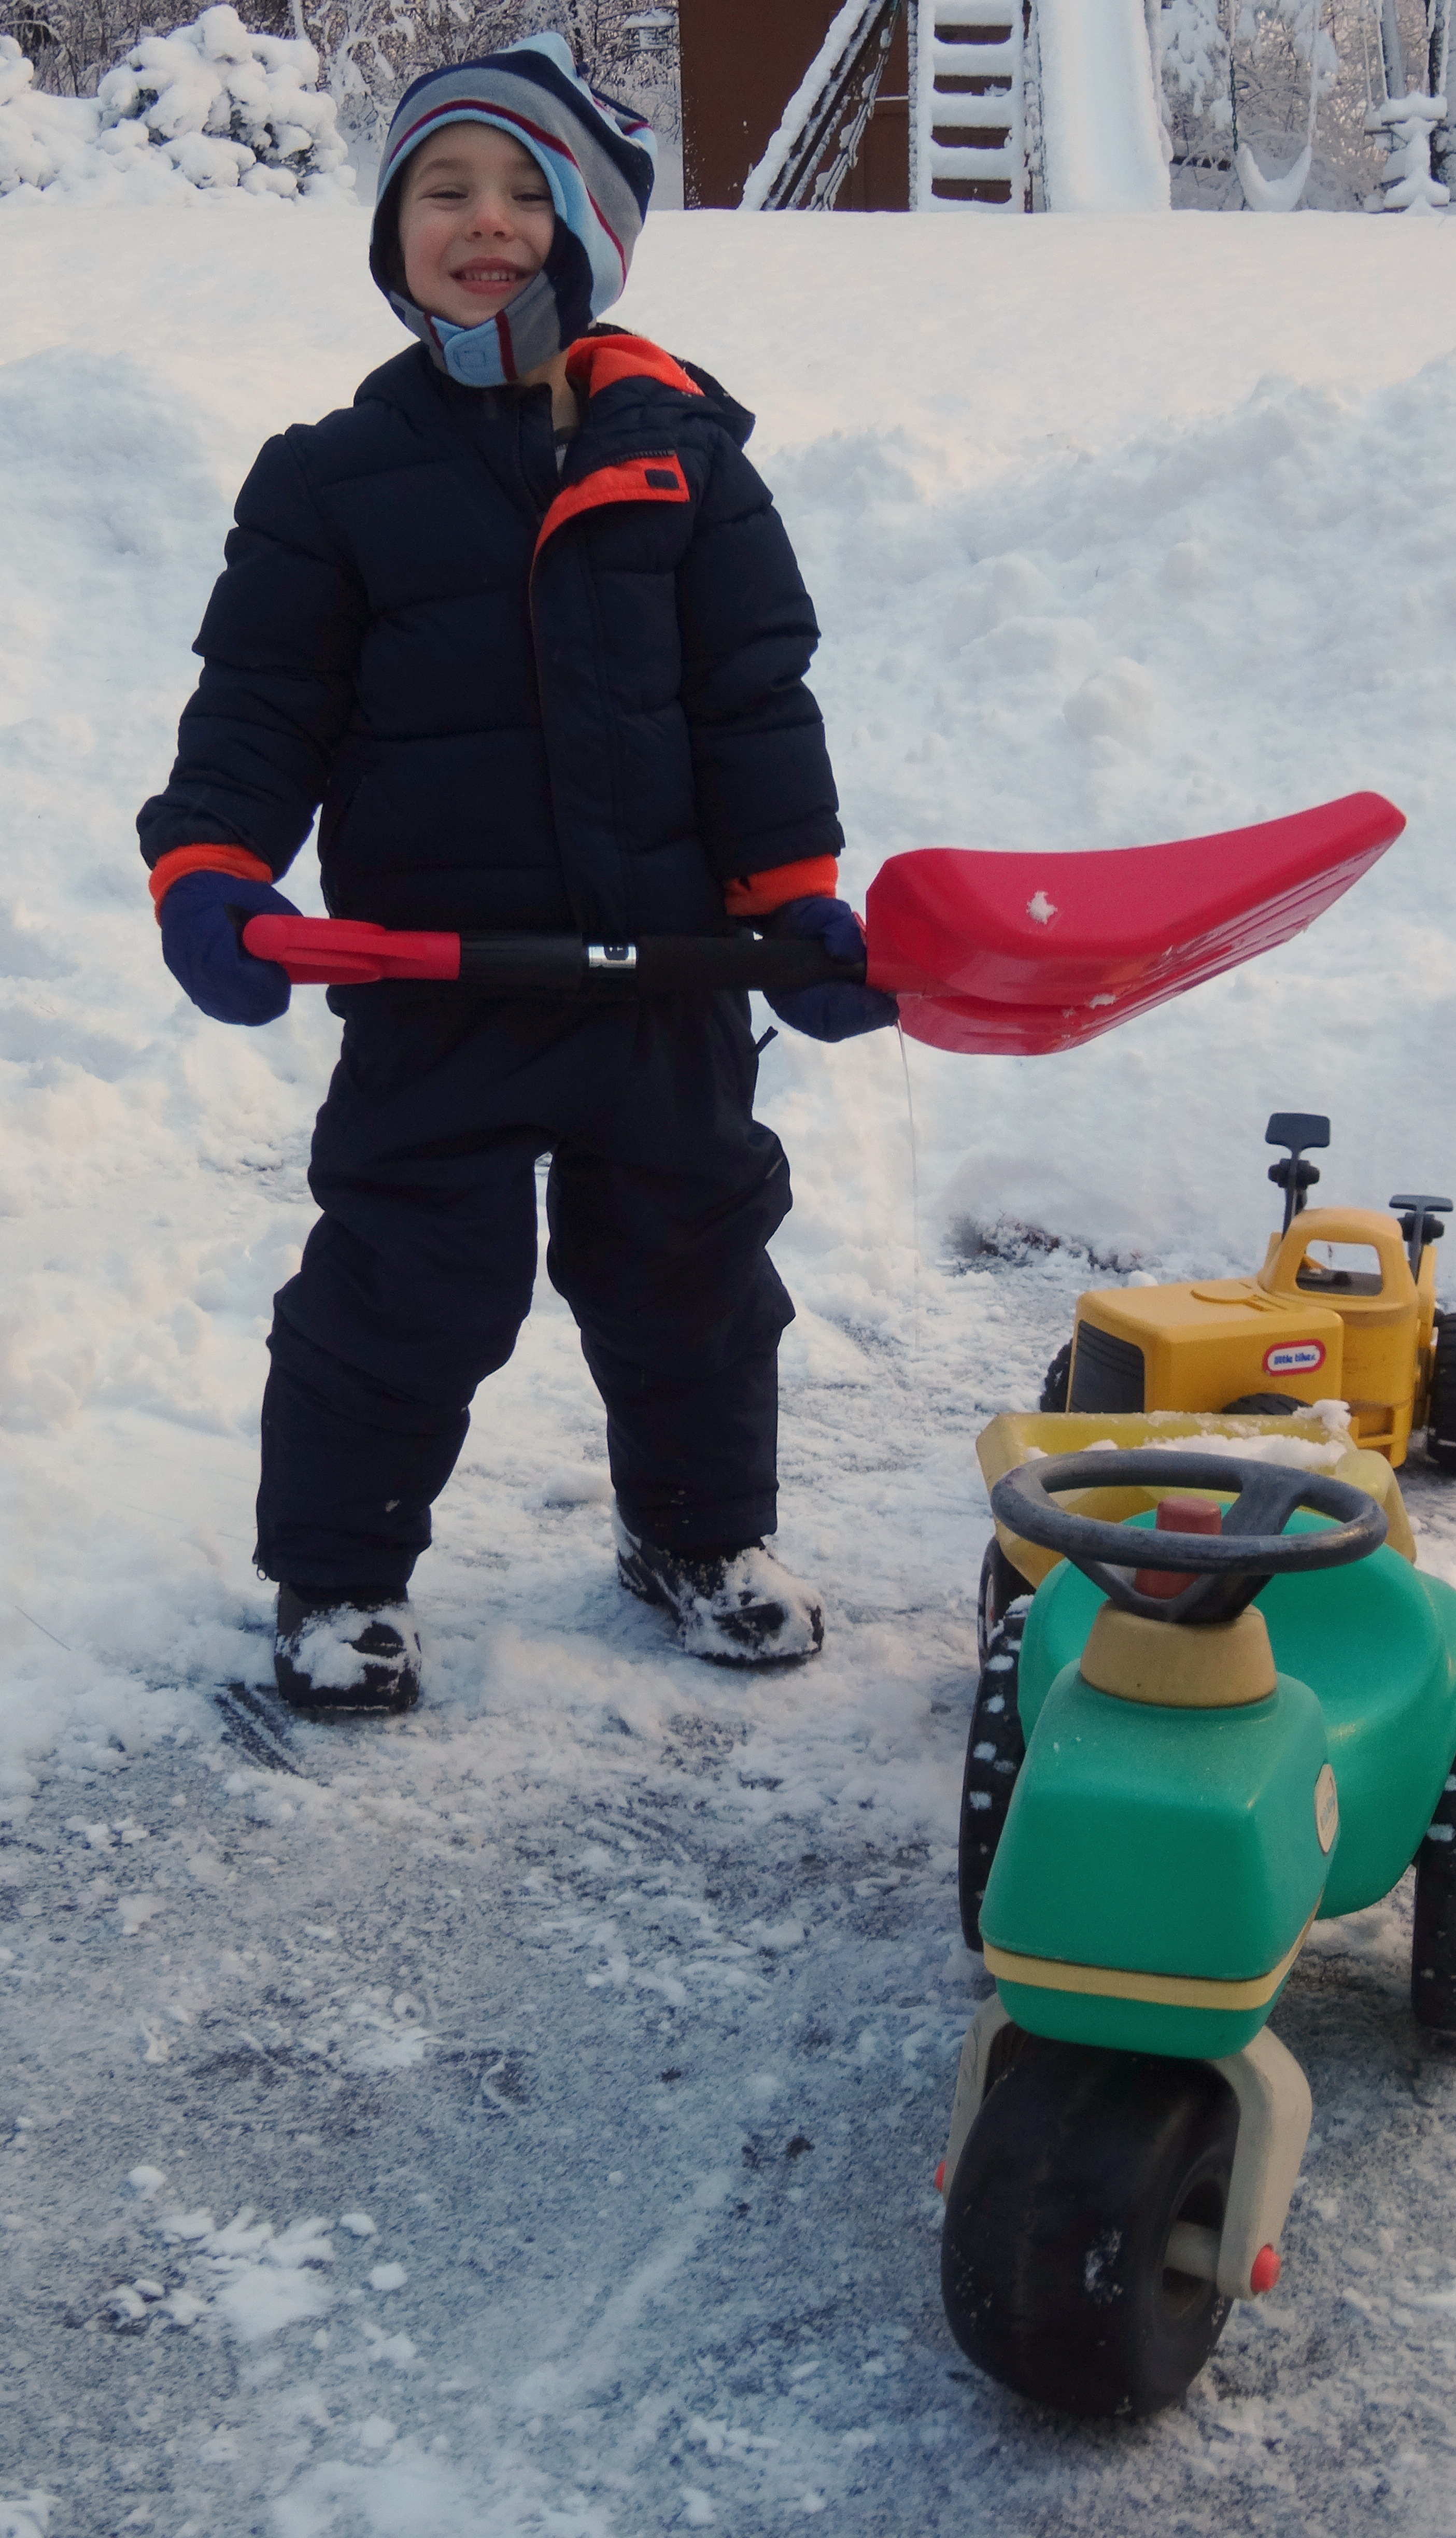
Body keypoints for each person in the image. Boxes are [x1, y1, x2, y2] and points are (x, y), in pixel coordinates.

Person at [138, 32, 896, 1715]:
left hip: (669, 981)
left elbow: (753, 704)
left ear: (593, 231)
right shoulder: (331, 479)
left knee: (696, 1271)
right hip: (440, 982)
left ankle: (696, 1534)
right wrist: (212, 866)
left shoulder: (689, 461)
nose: (482, 221)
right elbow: (260, 707)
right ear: (392, 234)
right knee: (403, 1287)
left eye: (525, 192)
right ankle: (339, 1576)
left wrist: (797, 904)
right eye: (442, 189)